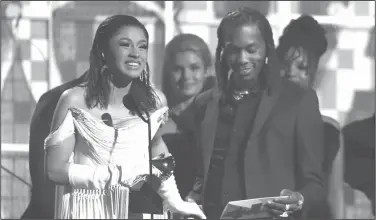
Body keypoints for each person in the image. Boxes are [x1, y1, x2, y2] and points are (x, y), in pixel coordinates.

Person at [43, 14, 205, 219]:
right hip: (88, 211)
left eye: (142, 46)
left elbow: (157, 150)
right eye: (125, 45)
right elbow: (54, 170)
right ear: (103, 51)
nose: (135, 54)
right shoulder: (74, 100)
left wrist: (175, 200)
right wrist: (116, 176)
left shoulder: (155, 101)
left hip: (138, 212)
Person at [185, 7, 325, 219]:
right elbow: (200, 174)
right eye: (233, 50)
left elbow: (315, 184)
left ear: (267, 49)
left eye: (252, 49)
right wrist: (191, 200)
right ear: (222, 52)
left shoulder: (298, 101)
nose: (242, 59)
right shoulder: (204, 104)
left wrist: (299, 198)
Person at [276, 15, 340, 218]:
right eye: (284, 65)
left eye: (302, 68)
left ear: (314, 75)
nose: (290, 73)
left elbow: (332, 196)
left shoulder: (327, 130)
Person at [158, 33, 216, 200]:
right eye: (177, 69)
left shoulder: (219, 114)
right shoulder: (155, 117)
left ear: (207, 70)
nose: (186, 77)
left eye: (194, 68)